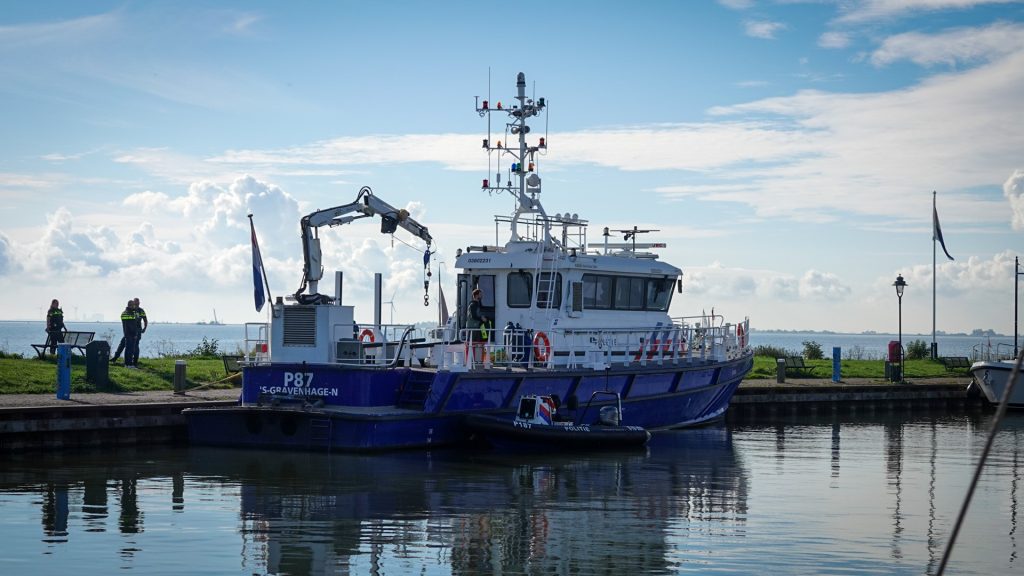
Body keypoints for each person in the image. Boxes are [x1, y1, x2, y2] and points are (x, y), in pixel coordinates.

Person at [112, 297, 147, 363]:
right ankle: (115, 358)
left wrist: (144, 328)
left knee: (135, 345)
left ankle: (134, 361)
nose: (136, 304)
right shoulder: (131, 311)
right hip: (130, 331)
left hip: (137, 330)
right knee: (123, 343)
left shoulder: (140, 311)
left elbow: (145, 320)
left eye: (137, 303)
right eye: (135, 303)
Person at [466, 288, 489, 365]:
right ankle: (471, 361)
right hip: (473, 327)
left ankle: (476, 361)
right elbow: (473, 316)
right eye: (480, 294)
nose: (482, 296)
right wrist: (482, 319)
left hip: (476, 327)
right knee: (472, 343)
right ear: (476, 295)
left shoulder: (476, 304)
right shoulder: (473, 305)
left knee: (477, 343)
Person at [120, 300, 141, 368]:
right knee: (129, 349)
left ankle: (129, 364)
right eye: (133, 305)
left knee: (130, 349)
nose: (134, 306)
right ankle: (128, 364)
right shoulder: (128, 313)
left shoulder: (130, 313)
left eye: (134, 305)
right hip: (130, 334)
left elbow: (135, 323)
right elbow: (131, 325)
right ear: (129, 305)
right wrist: (134, 334)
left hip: (129, 334)